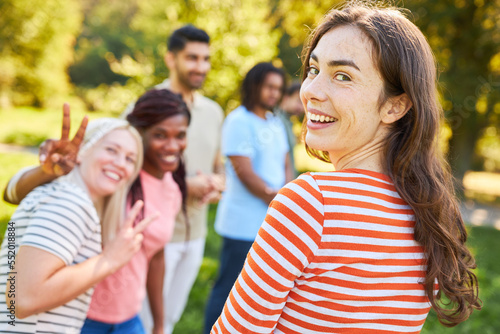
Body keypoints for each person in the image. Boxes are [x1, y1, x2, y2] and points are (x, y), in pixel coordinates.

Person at [210, 3, 481, 333]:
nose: (310, 91)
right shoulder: (429, 214)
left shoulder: (311, 204)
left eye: (342, 76)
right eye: (313, 69)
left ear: (395, 106)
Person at [3, 89, 191, 333]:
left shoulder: (151, 186)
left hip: (123, 317)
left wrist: (159, 323)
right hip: (82, 315)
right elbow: (12, 193)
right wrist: (49, 171)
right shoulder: (85, 191)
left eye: (128, 158)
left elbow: (156, 256)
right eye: (160, 135)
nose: (172, 145)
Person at [0, 115, 151, 333]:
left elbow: (11, 190)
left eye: (130, 159)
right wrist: (110, 260)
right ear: (80, 152)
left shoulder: (61, 193)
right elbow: (22, 299)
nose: (120, 163)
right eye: (111, 150)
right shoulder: (70, 203)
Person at [136, 25, 225, 334]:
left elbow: (219, 164)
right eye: (192, 58)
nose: (200, 66)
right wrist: (187, 186)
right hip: (154, 235)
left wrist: (217, 185)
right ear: (170, 59)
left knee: (169, 320)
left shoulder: (213, 112)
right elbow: (126, 170)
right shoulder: (148, 106)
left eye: (205, 59)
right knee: (144, 321)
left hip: (195, 234)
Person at [203, 62, 294, 333]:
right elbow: (243, 171)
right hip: (242, 223)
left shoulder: (274, 121)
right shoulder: (238, 120)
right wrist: (279, 201)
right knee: (229, 286)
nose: (273, 94)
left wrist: (287, 194)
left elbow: (285, 161)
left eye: (278, 88)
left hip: (270, 221)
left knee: (256, 291)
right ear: (254, 86)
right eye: (268, 87)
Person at [276, 81, 305, 177]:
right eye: (299, 101)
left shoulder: (288, 122)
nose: (302, 108)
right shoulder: (276, 121)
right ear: (286, 97)